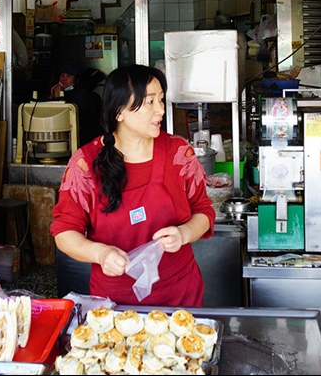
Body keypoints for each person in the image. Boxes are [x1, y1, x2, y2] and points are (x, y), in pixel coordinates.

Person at [50, 64, 214, 306]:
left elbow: (204, 211)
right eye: (149, 102)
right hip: (114, 302)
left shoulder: (179, 154)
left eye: (161, 100)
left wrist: (184, 233)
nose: (160, 110)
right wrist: (101, 253)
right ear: (119, 112)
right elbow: (64, 232)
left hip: (179, 295)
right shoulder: (86, 163)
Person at [50, 62, 103, 146]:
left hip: (84, 141)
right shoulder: (64, 93)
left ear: (77, 80)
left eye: (69, 76)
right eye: (62, 75)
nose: (64, 78)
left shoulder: (81, 96)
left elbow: (66, 117)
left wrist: (59, 99)